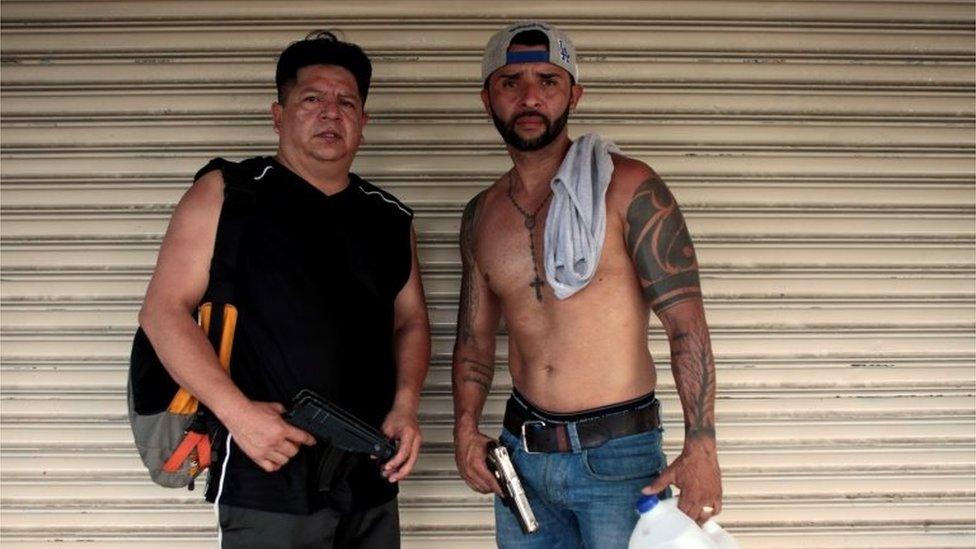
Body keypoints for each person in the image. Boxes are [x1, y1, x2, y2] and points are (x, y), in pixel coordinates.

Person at [138, 31, 430, 548]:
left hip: (369, 476)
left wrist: (406, 404)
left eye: (346, 102)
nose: (330, 113)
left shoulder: (388, 218)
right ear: (279, 114)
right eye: (311, 99)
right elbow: (163, 313)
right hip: (265, 476)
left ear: (363, 121)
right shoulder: (229, 194)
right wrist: (237, 414)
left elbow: (409, 321)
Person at [451, 21, 723, 547]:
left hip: (619, 458)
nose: (530, 96)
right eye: (511, 83)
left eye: (548, 81)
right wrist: (465, 427)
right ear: (488, 99)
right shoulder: (480, 215)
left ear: (574, 93)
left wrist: (702, 446)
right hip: (522, 454)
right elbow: (474, 340)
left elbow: (685, 323)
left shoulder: (629, 189)